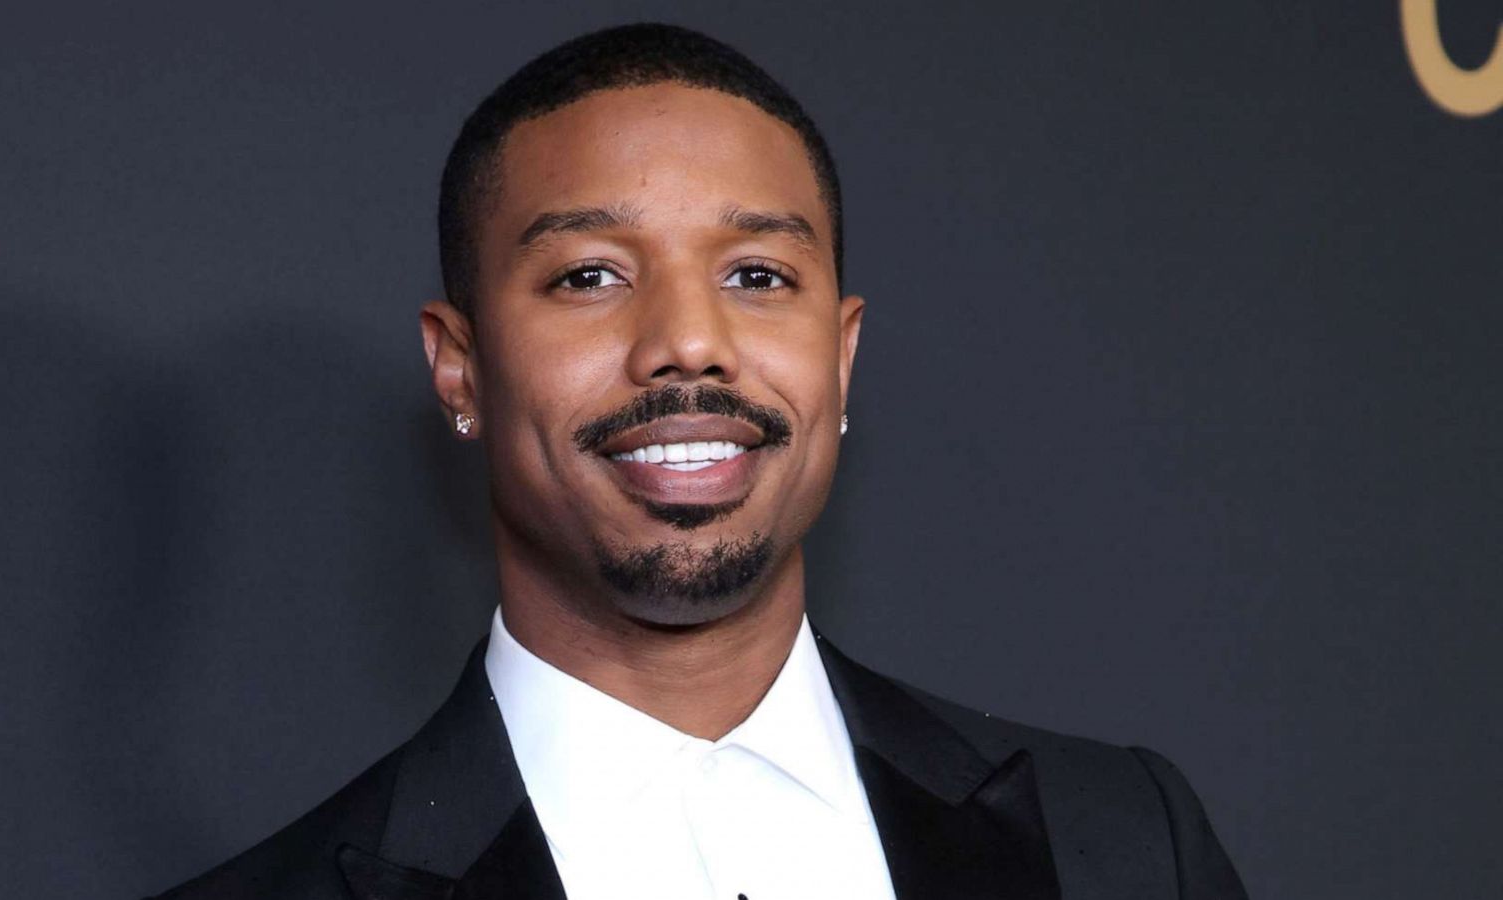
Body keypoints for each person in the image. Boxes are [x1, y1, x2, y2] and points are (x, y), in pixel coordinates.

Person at [153, 22, 1247, 900]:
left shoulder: (1121, 840)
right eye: (589, 276)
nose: (690, 339)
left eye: (758, 276)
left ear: (841, 354)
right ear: (461, 372)